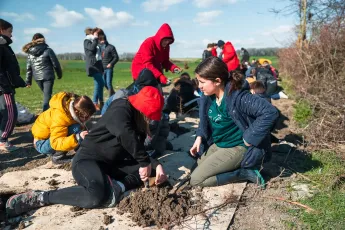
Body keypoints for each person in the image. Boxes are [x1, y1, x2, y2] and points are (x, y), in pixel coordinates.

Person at [6, 86, 168, 217]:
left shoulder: (139, 121)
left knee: (151, 171)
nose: (151, 120)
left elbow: (135, 149)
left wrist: (155, 164)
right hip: (88, 160)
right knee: (96, 196)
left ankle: (118, 185)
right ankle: (42, 197)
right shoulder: (121, 108)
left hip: (113, 164)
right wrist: (144, 162)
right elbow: (124, 132)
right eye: (150, 115)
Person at [189, 57, 278, 188]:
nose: (199, 86)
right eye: (198, 81)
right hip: (220, 143)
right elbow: (204, 118)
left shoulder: (238, 97)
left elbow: (270, 112)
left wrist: (250, 137)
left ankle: (244, 173)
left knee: (196, 180)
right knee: (194, 170)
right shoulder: (209, 95)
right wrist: (199, 137)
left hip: (238, 146)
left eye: (202, 82)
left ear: (218, 81)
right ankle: (229, 166)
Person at [32, 92, 96, 164]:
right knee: (76, 128)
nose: (87, 119)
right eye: (86, 117)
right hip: (42, 143)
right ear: (76, 111)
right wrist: (77, 138)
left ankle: (81, 152)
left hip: (50, 139)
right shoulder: (60, 116)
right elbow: (55, 142)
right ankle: (58, 157)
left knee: (78, 129)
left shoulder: (73, 107)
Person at [0, 19, 27, 152]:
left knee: (2, 112)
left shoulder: (4, 45)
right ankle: (3, 140)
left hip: (4, 85)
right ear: (1, 30)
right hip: (3, 87)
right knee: (11, 113)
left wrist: (20, 82)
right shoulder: (1, 45)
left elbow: (9, 68)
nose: (11, 35)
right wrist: (6, 85)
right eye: (10, 31)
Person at [23, 33, 62, 112]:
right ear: (43, 39)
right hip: (48, 77)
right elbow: (55, 64)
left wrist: (28, 81)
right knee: (47, 96)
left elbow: (28, 68)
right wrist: (59, 74)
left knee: (46, 95)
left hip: (37, 77)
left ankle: (52, 111)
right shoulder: (48, 50)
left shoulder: (30, 53)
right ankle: (46, 114)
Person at [84, 27, 105, 111]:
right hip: (92, 65)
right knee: (101, 83)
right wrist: (96, 39)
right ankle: (96, 103)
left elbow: (99, 54)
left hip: (98, 65)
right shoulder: (86, 41)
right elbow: (92, 49)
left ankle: (99, 103)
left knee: (99, 84)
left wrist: (101, 44)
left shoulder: (95, 41)